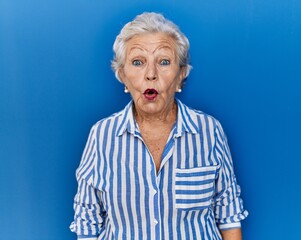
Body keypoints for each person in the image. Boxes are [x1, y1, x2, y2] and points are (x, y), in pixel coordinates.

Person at [70, 12, 248, 240]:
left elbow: (228, 213)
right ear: (123, 75)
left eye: (164, 62)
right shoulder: (101, 135)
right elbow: (87, 221)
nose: (151, 74)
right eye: (138, 62)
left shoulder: (209, 131)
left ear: (181, 74)